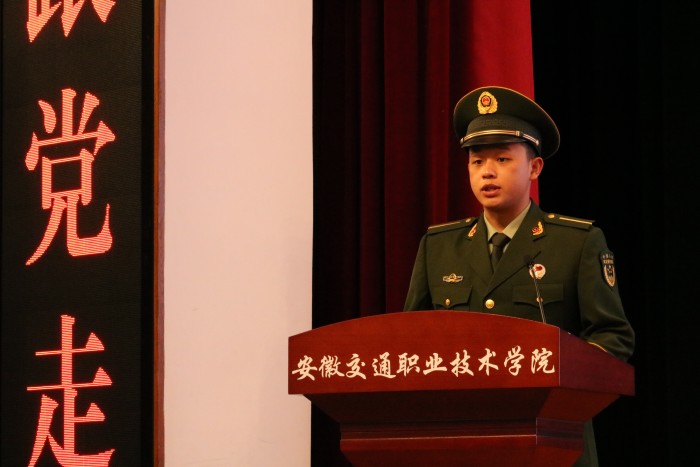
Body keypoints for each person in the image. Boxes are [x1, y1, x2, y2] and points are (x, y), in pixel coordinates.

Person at [403, 86, 635, 466]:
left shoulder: (576, 242)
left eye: (502, 158)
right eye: (477, 161)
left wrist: (561, 388)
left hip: (553, 439)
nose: (487, 171)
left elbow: (613, 336)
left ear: (534, 167)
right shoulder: (439, 246)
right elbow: (412, 339)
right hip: (463, 440)